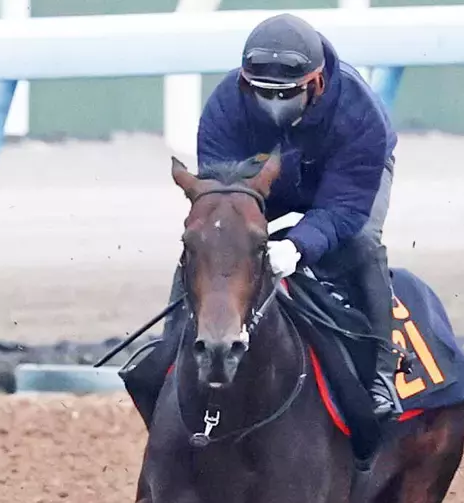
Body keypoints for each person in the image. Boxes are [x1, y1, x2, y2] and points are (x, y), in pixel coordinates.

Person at [165, 12, 400, 418]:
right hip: (262, 181)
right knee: (208, 244)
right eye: (263, 93)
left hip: (339, 184)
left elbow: (343, 209)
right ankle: (167, 359)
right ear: (244, 82)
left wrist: (297, 246)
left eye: (286, 94)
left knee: (361, 243)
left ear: (316, 84)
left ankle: (382, 374)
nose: (274, 105)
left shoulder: (362, 115)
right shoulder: (224, 107)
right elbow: (221, 198)